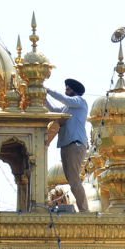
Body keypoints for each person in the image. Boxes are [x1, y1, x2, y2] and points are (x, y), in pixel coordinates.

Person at [45, 78, 89, 212]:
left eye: (68, 89)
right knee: (72, 180)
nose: (66, 91)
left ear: (74, 91)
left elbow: (65, 99)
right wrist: (42, 98)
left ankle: (84, 211)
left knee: (75, 180)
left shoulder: (79, 102)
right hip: (66, 146)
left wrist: (47, 90)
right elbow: (53, 110)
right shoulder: (67, 108)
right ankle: (83, 209)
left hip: (75, 145)